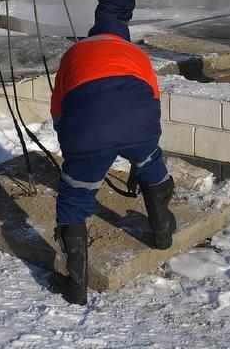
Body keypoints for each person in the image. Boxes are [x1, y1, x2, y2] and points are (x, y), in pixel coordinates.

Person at [49, 17, 175, 306]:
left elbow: (58, 110)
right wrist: (141, 144)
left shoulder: (74, 53)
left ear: (95, 35)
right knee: (152, 166)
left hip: (88, 132)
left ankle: (76, 287)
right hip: (140, 127)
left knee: (74, 199)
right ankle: (163, 234)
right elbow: (154, 99)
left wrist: (76, 150)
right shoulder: (137, 54)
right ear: (122, 37)